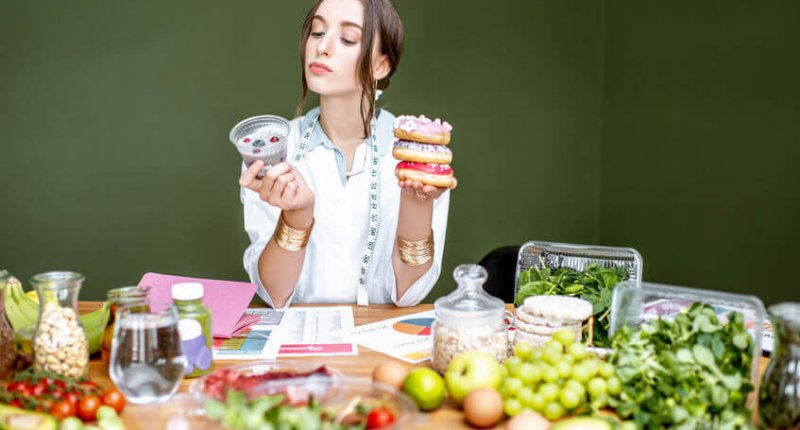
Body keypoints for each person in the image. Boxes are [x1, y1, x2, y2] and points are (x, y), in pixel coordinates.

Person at [238, 0, 457, 309]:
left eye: (347, 39)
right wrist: (296, 218)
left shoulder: (418, 158)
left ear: (380, 65)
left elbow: (408, 295)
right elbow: (274, 294)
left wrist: (416, 203)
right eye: (317, 32)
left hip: (380, 344)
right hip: (298, 347)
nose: (323, 47)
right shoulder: (273, 151)